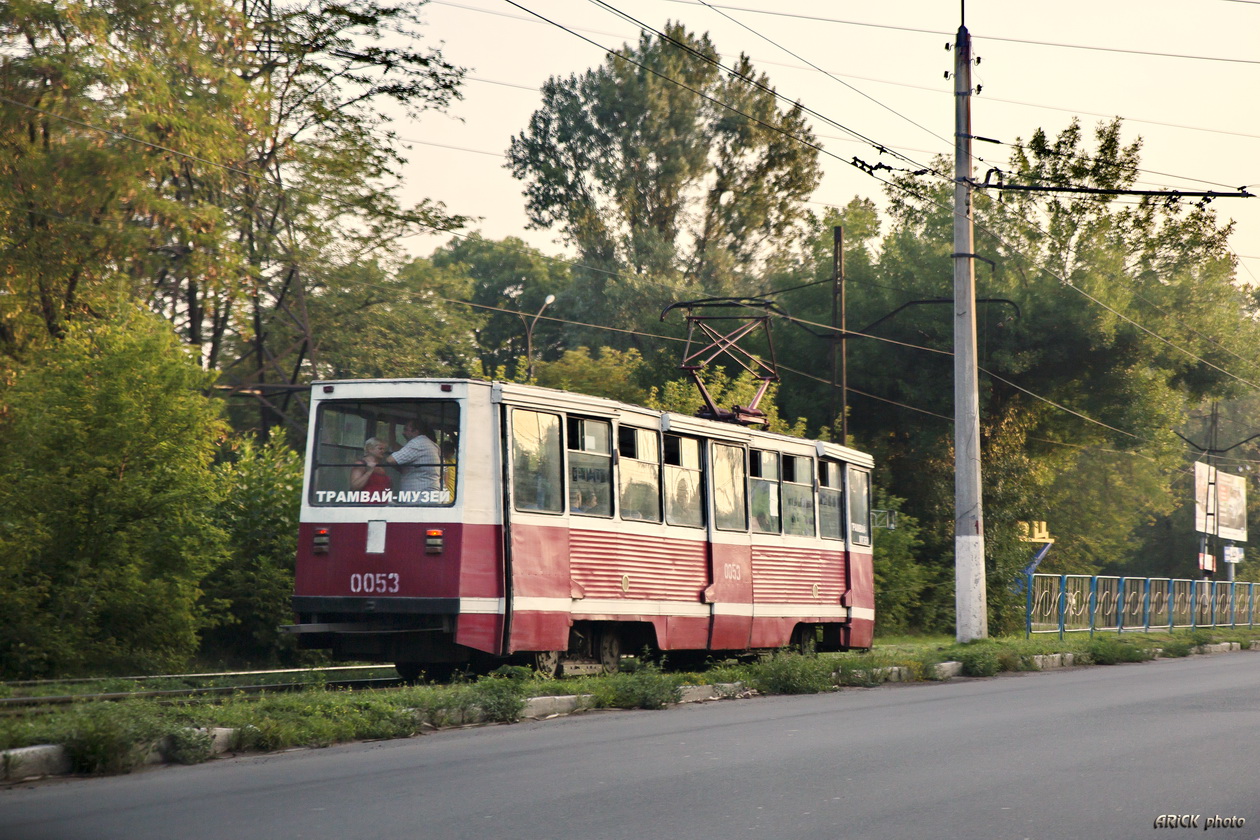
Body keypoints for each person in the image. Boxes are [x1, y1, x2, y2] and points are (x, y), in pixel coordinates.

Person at [384, 418, 441, 497]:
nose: (403, 433)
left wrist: (399, 468)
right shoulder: (431, 444)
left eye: (406, 430)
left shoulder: (417, 443)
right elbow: (396, 448)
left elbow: (390, 460)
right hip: (427, 493)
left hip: (419, 495)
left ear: (416, 431)